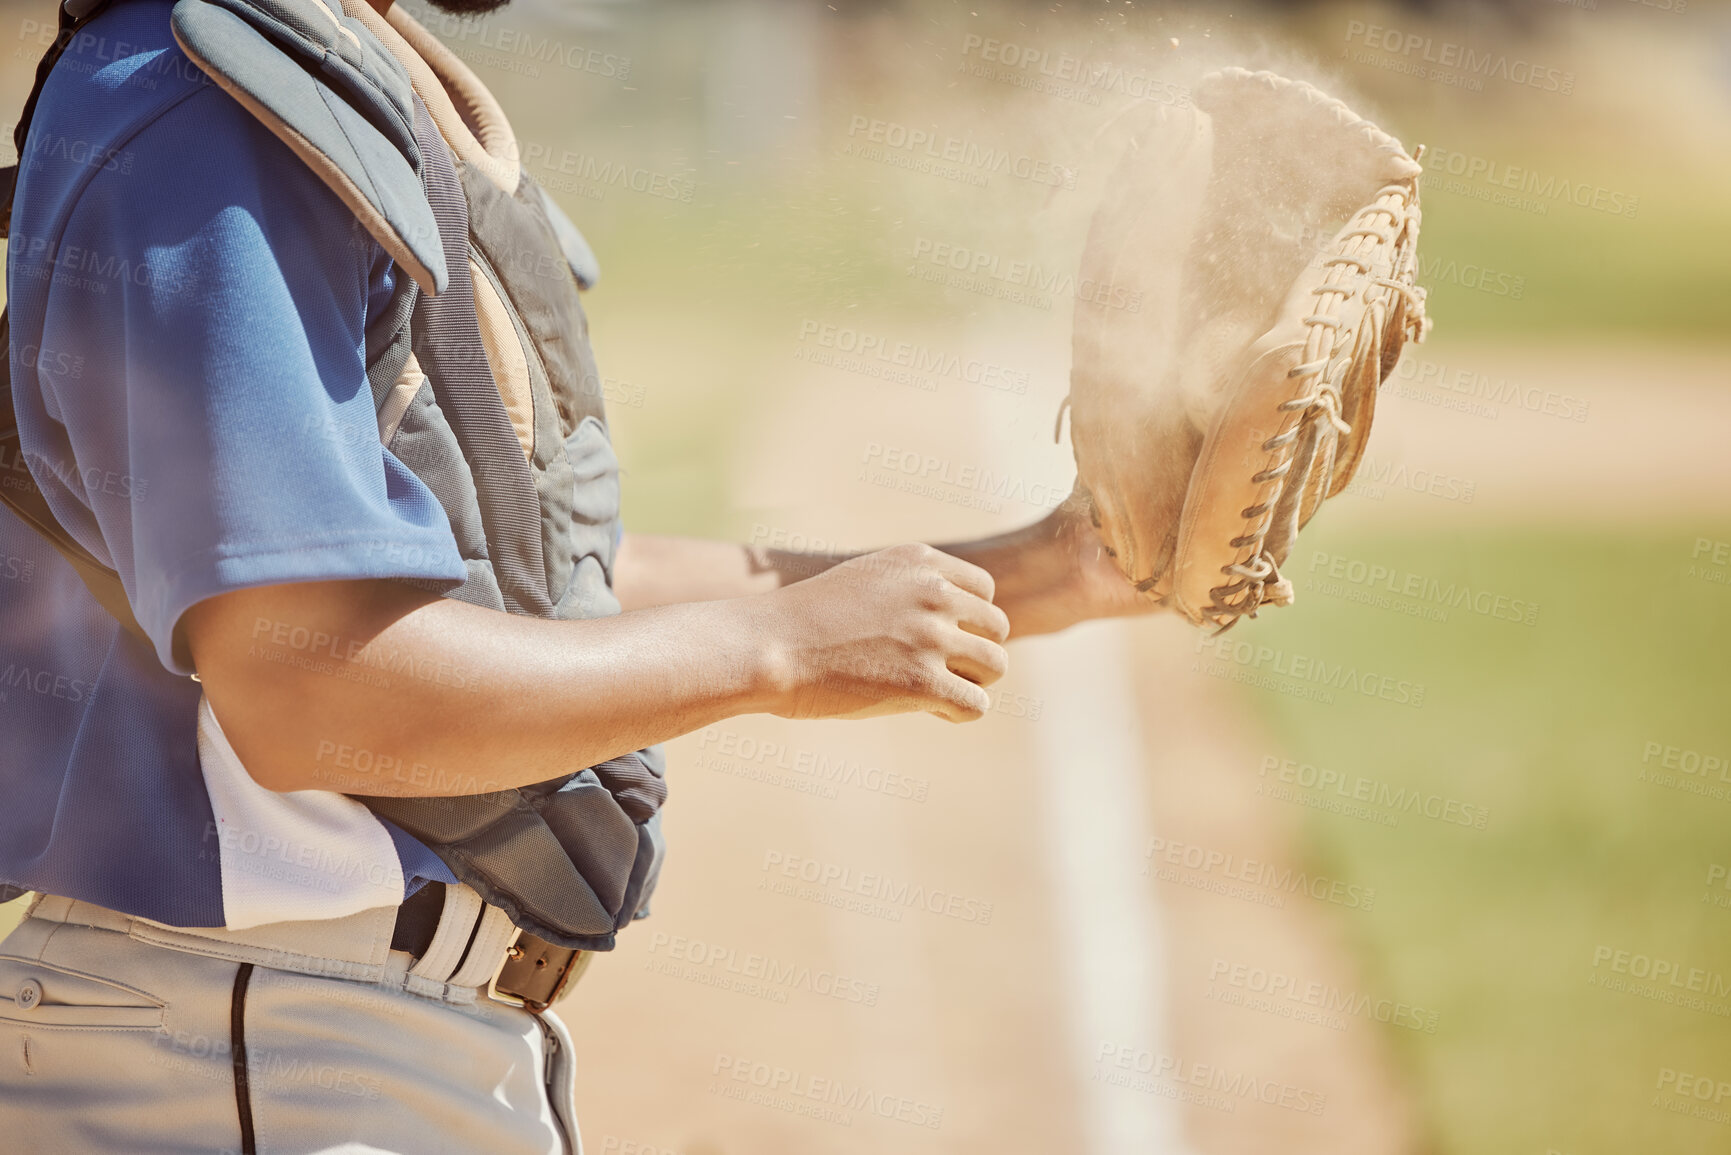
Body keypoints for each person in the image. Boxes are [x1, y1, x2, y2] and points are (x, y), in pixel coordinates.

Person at [0, 0, 1150, 1150]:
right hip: (256, 1060)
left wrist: (1045, 572)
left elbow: (546, 586)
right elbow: (307, 686)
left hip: (322, 1045)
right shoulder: (206, 101)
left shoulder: (337, 73)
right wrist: (778, 648)